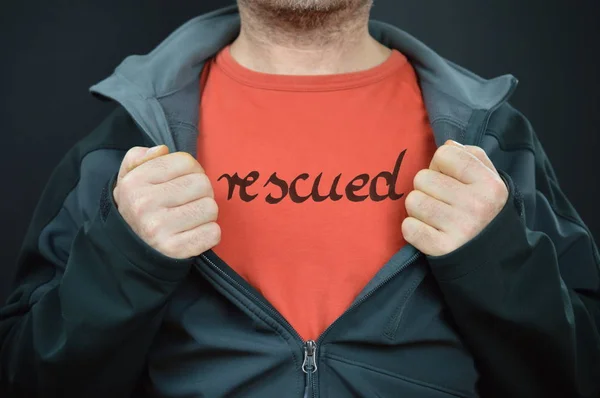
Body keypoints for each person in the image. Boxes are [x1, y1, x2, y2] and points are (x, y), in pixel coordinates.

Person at [1, 1, 599, 397]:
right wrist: (122, 262)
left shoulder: (491, 139)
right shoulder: (122, 146)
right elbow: (23, 377)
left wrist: (497, 260)